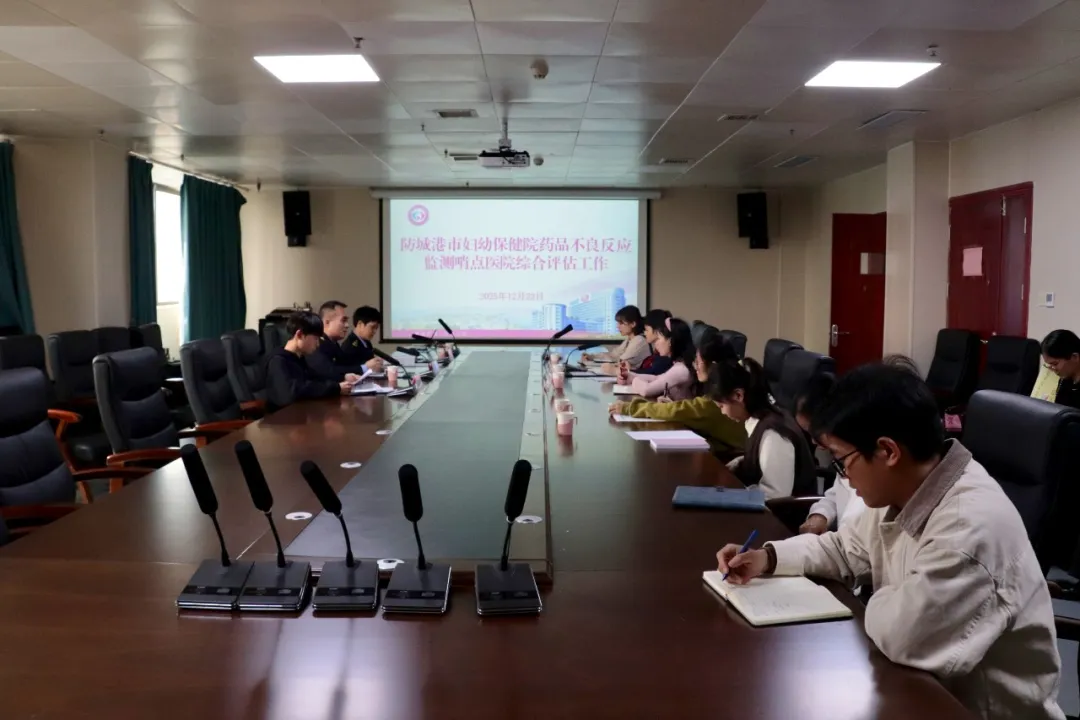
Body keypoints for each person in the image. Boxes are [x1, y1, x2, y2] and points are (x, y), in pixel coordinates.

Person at [716, 363, 1065, 720]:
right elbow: (843, 549)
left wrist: (880, 598)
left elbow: (905, 636)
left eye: (842, 461)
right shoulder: (905, 489)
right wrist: (767, 558)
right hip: (921, 691)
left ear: (888, 451)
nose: (844, 477)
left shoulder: (968, 529)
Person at [609, 329, 746, 454]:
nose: (695, 367)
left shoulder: (719, 398)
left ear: (713, 366)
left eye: (698, 362)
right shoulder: (726, 387)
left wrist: (630, 408)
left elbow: (678, 410)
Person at [708, 358, 816, 499]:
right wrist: (739, 463)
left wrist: (733, 494)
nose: (722, 412)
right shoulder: (761, 418)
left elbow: (775, 495)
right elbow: (763, 459)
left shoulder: (773, 434)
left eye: (721, 406)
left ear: (738, 395)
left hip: (783, 511)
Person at [793, 373, 866, 534]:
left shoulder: (863, 458)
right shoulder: (844, 458)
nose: (814, 441)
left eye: (815, 433)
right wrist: (820, 515)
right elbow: (836, 494)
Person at [265, 311, 357, 412]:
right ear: (300, 335)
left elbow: (316, 378)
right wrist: (335, 388)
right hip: (283, 418)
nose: (318, 344)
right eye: (315, 339)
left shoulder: (299, 358)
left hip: (301, 413)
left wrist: (342, 378)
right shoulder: (278, 361)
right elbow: (291, 393)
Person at [616, 317, 696, 400]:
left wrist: (633, 380)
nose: (655, 344)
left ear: (670, 341)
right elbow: (657, 378)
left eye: (658, 339)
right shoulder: (679, 364)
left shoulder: (680, 369)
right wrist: (629, 375)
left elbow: (647, 390)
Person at [307, 300, 372, 381]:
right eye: (343, 320)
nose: (347, 325)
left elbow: (345, 366)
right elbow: (329, 371)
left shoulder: (333, 343)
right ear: (327, 322)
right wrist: (364, 368)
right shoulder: (317, 344)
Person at [582, 305, 650, 371]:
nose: (618, 326)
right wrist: (591, 356)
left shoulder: (639, 340)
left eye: (621, 323)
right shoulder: (629, 340)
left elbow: (621, 361)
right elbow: (613, 355)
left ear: (633, 324)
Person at [340, 305, 393, 371]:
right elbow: (347, 370)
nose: (375, 331)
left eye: (376, 328)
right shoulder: (349, 345)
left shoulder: (366, 342)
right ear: (360, 324)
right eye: (372, 327)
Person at [1040, 329, 1080, 409]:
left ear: (1075, 357)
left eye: (1055, 364)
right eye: (1049, 365)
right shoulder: (1065, 380)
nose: (1052, 369)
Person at [636, 309, 674, 375]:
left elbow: (652, 373)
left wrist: (628, 372)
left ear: (658, 330)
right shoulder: (658, 352)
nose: (645, 333)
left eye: (646, 330)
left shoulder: (665, 354)